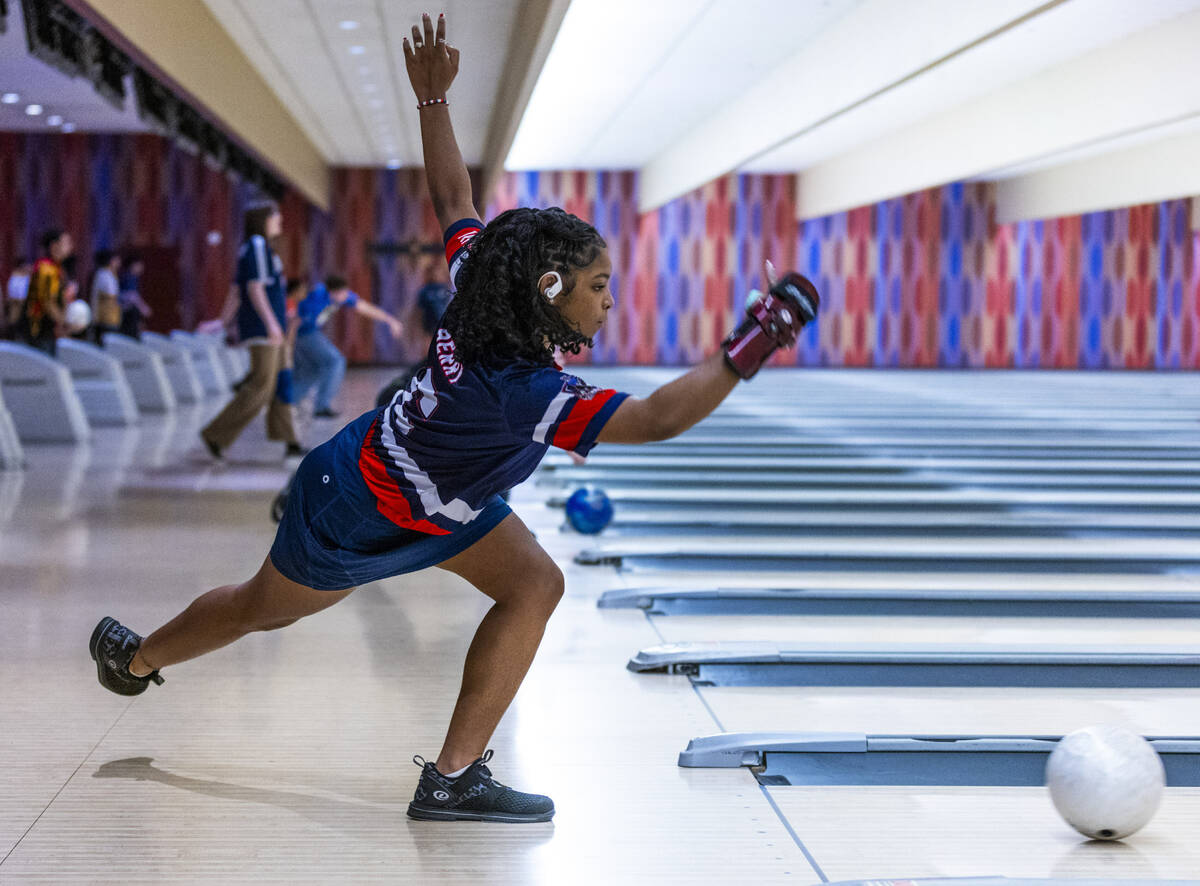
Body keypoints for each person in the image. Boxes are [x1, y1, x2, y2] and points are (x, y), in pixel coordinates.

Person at [88, 12, 817, 825]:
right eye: (598, 285)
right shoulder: (521, 387)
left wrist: (433, 100)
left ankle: (453, 777)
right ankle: (137, 656)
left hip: (437, 501)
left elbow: (452, 196)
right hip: (355, 504)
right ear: (547, 290)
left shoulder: (483, 285)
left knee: (535, 582)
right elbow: (649, 421)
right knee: (262, 609)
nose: (610, 298)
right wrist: (753, 345)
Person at [199, 202, 303, 461]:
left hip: (269, 327)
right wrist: (272, 324)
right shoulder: (257, 245)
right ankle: (216, 434)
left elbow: (236, 291)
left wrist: (222, 322)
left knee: (280, 383)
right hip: (263, 329)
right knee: (262, 386)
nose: (279, 219)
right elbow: (254, 289)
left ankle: (289, 440)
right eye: (275, 215)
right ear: (263, 219)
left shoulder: (260, 248)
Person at [293, 274, 404, 419]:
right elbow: (295, 319)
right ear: (333, 292)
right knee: (335, 361)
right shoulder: (316, 296)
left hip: (306, 334)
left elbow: (364, 307)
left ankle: (288, 401)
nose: (345, 297)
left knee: (311, 371)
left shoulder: (338, 296)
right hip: (303, 335)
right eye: (342, 294)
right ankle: (321, 406)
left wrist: (390, 320)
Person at [15, 229, 75, 357]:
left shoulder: (56, 268)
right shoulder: (46, 268)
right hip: (39, 332)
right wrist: (64, 322)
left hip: (48, 332)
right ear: (54, 246)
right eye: (66, 242)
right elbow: (47, 302)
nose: (70, 246)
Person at [408, 257, 452, 357]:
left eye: (440, 272)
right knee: (428, 347)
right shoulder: (425, 290)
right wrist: (415, 327)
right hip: (429, 323)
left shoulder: (447, 288)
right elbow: (418, 311)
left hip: (444, 323)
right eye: (435, 273)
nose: (437, 275)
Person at [90, 249, 123, 344]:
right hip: (105, 319)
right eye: (117, 260)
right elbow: (111, 294)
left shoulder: (108, 274)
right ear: (111, 261)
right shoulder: (104, 274)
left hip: (109, 319)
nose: (119, 263)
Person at [118, 253, 151, 339]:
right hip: (127, 313)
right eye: (140, 265)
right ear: (133, 265)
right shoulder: (129, 277)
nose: (142, 267)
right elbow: (132, 296)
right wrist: (143, 308)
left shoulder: (129, 277)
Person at [4, 256, 32, 337]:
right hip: (17, 307)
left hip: (24, 308)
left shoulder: (27, 277)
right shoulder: (15, 278)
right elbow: (13, 296)